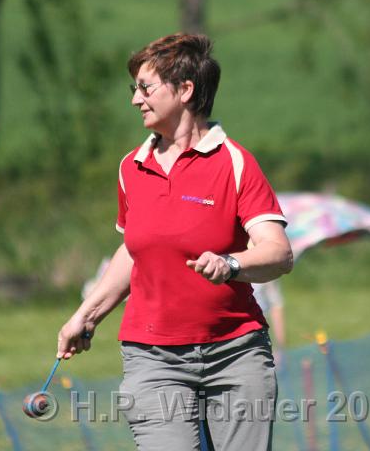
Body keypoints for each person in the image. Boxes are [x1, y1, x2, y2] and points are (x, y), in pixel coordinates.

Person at [56, 33, 293, 451]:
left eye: (145, 88)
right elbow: (135, 251)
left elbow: (278, 252)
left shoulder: (236, 163)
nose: (136, 100)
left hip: (236, 353)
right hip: (153, 357)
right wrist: (86, 315)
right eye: (134, 89)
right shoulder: (132, 168)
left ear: (185, 90)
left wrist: (231, 264)